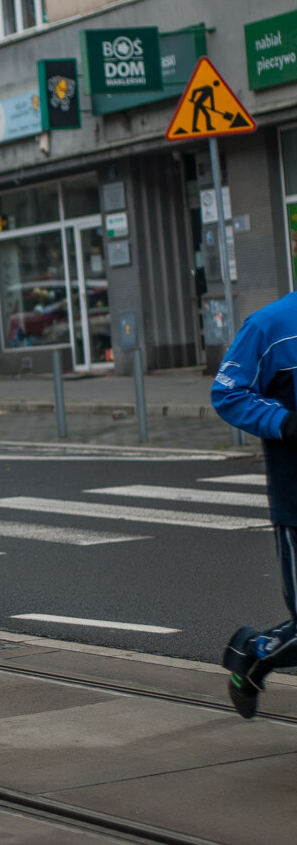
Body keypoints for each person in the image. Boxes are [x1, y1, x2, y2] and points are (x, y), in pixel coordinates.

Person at [213, 289, 297, 718]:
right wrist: (284, 421)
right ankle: (253, 653)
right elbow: (228, 392)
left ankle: (253, 654)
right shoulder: (271, 325)